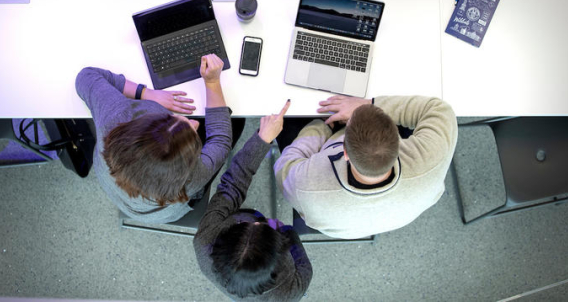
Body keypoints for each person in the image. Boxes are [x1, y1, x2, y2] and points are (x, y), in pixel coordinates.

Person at [75, 54, 237, 223]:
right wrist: (212, 82)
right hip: (163, 212)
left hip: (120, 193)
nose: (195, 123)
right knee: (236, 124)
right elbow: (221, 140)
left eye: (170, 117)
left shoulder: (114, 119)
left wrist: (146, 94)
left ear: (144, 121)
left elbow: (86, 77)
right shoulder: (189, 180)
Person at [274, 95, 458, 239]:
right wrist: (369, 103)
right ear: (398, 141)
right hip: (395, 212)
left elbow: (286, 162)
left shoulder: (307, 185)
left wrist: (324, 125)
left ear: (345, 152)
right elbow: (440, 109)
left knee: (287, 118)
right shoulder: (430, 160)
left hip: (336, 217)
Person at [194, 100, 313, 302]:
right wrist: (287, 232)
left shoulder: (204, 240)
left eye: (245, 225)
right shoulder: (292, 290)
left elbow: (232, 186)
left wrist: (262, 139)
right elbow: (301, 260)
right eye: (263, 227)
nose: (259, 221)